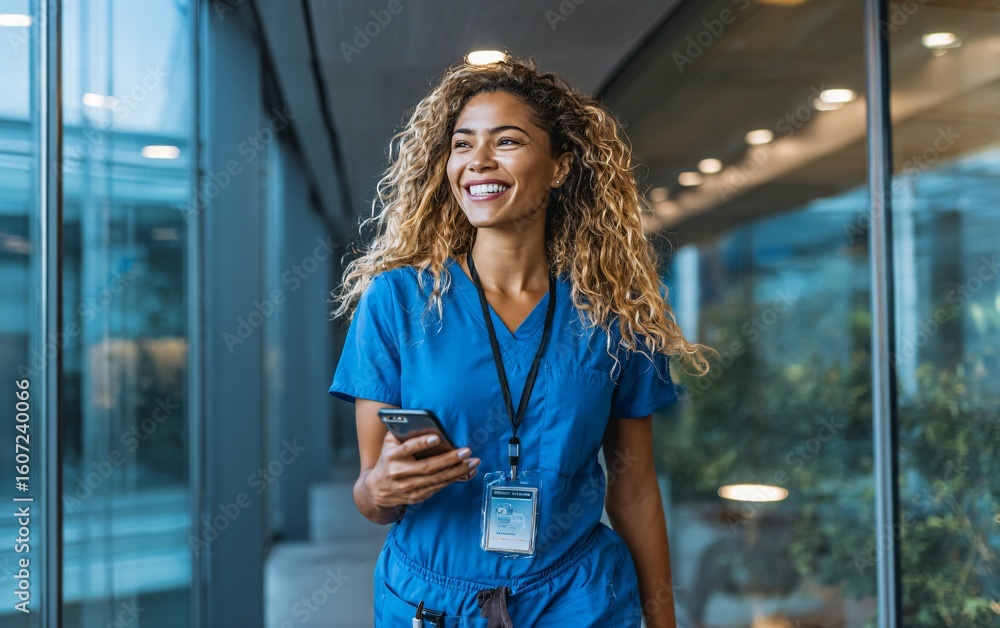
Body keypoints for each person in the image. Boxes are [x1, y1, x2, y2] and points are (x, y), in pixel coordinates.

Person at [329, 57, 709, 628]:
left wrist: (665, 621)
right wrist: (380, 488)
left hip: (577, 598)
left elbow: (633, 488)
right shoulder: (398, 301)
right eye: (462, 144)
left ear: (559, 167)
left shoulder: (614, 311)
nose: (477, 160)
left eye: (506, 141)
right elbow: (374, 498)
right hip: (431, 603)